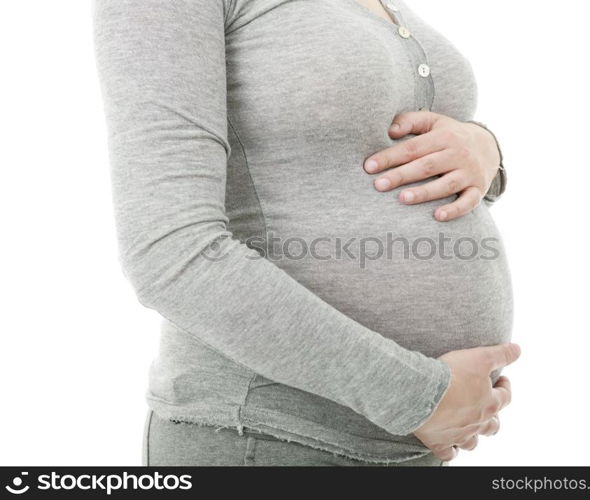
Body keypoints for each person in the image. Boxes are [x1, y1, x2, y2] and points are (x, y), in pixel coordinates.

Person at [92, 0, 520, 467]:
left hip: (410, 446)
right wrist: (415, 395)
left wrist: (486, 154)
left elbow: (344, 166)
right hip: (267, 437)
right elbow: (168, 251)